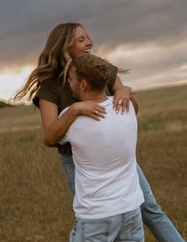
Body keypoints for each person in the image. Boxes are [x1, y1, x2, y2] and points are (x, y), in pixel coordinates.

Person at [14, 22, 185, 242]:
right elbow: (50, 136)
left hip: (115, 156)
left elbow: (127, 105)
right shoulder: (50, 88)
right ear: (64, 46)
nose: (90, 42)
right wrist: (75, 110)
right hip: (78, 161)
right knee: (97, 219)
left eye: (88, 37)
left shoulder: (99, 68)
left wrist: (125, 89)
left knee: (150, 209)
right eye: (81, 39)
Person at [59, 53, 144, 242]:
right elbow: (131, 100)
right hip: (131, 209)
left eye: (71, 79)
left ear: (83, 85)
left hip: (95, 214)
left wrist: (73, 109)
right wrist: (126, 90)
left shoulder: (72, 119)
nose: (69, 84)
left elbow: (50, 138)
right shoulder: (127, 107)